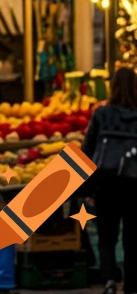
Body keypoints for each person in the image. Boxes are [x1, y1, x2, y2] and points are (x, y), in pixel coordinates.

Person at [82, 65, 137, 294]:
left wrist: (87, 188)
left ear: (112, 87)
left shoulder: (101, 114)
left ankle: (109, 279)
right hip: (134, 183)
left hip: (106, 181)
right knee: (132, 237)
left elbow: (87, 150)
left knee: (106, 235)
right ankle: (132, 284)